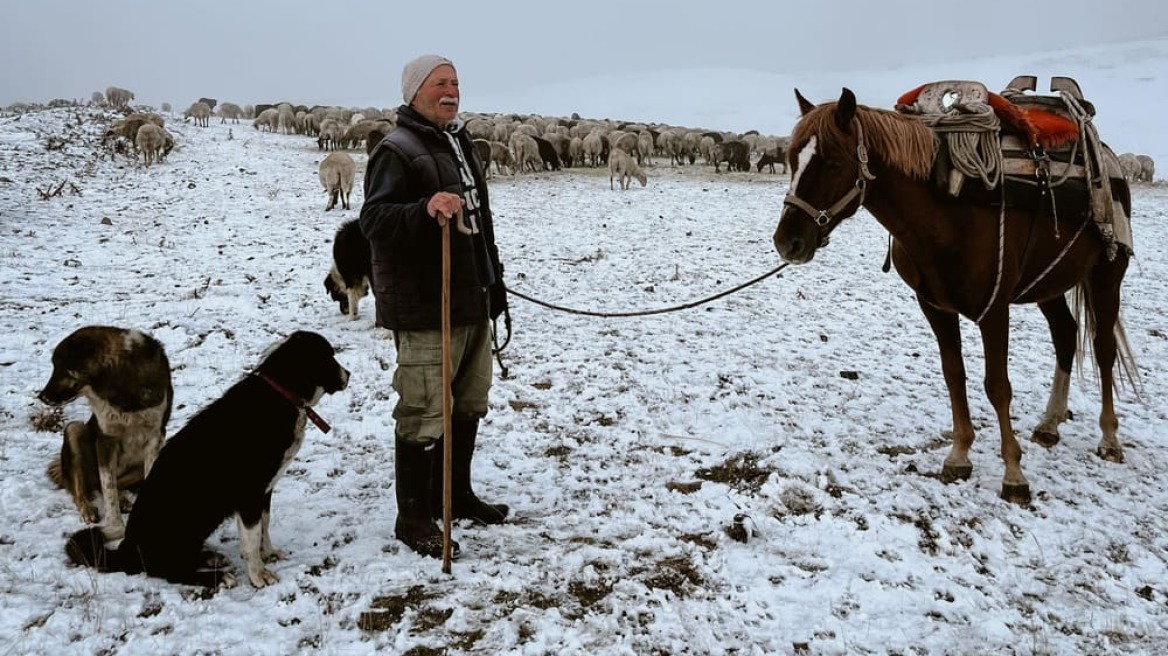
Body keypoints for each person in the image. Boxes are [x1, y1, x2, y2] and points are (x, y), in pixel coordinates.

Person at [358, 54, 509, 559]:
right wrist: (424, 210)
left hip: (471, 296)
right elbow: (375, 219)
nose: (452, 91)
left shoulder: (458, 141)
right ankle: (414, 515)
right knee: (424, 410)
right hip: (428, 304)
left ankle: (457, 495)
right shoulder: (395, 150)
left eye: (456, 82)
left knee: (467, 404)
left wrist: (496, 283)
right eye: (440, 83)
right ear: (414, 92)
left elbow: (480, 221)